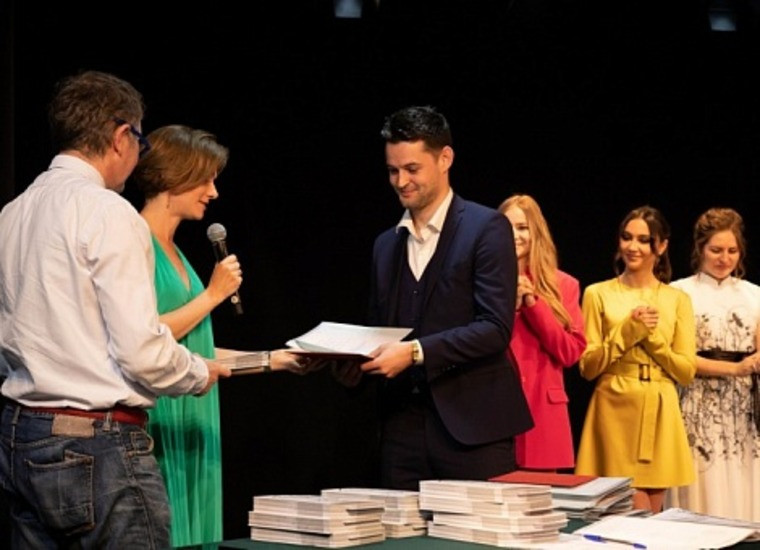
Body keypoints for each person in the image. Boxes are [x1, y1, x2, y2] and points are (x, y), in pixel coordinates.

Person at [0, 70, 230, 549]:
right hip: (96, 444)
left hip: (20, 434)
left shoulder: (14, 212)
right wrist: (196, 371)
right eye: (139, 142)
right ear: (121, 135)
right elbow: (141, 352)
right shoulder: (107, 211)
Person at [336, 105, 533, 490]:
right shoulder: (385, 245)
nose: (401, 181)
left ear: (445, 159)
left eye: (412, 169)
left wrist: (414, 353)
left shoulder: (486, 227)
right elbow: (380, 332)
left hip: (473, 430)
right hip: (402, 432)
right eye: (393, 170)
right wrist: (349, 362)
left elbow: (494, 328)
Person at [132, 124, 307, 546]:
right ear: (174, 177)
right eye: (205, 180)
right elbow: (145, 338)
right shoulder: (135, 241)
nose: (213, 192)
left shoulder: (175, 250)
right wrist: (213, 295)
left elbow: (196, 348)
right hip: (163, 415)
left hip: (195, 416)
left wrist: (273, 360)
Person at [575, 205, 696, 513]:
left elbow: (686, 371)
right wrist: (628, 331)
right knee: (631, 513)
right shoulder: (597, 293)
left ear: (662, 246)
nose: (633, 246)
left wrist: (652, 340)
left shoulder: (677, 299)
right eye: (627, 237)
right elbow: (588, 367)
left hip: (660, 407)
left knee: (653, 517)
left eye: (644, 240)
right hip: (614, 407)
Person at [668, 207, 760, 521]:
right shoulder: (679, 292)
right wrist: (734, 369)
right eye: (716, 250)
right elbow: (677, 357)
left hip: (743, 406)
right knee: (702, 482)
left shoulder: (754, 294)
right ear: (700, 249)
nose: (724, 258)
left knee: (743, 480)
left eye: (732, 251)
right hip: (696, 401)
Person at [498, 194, 586, 471]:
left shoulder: (564, 284)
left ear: (536, 232)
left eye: (522, 227)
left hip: (544, 418)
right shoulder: (483, 281)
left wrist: (533, 305)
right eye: (507, 227)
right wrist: (511, 308)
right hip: (496, 414)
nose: (515, 235)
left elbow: (570, 352)